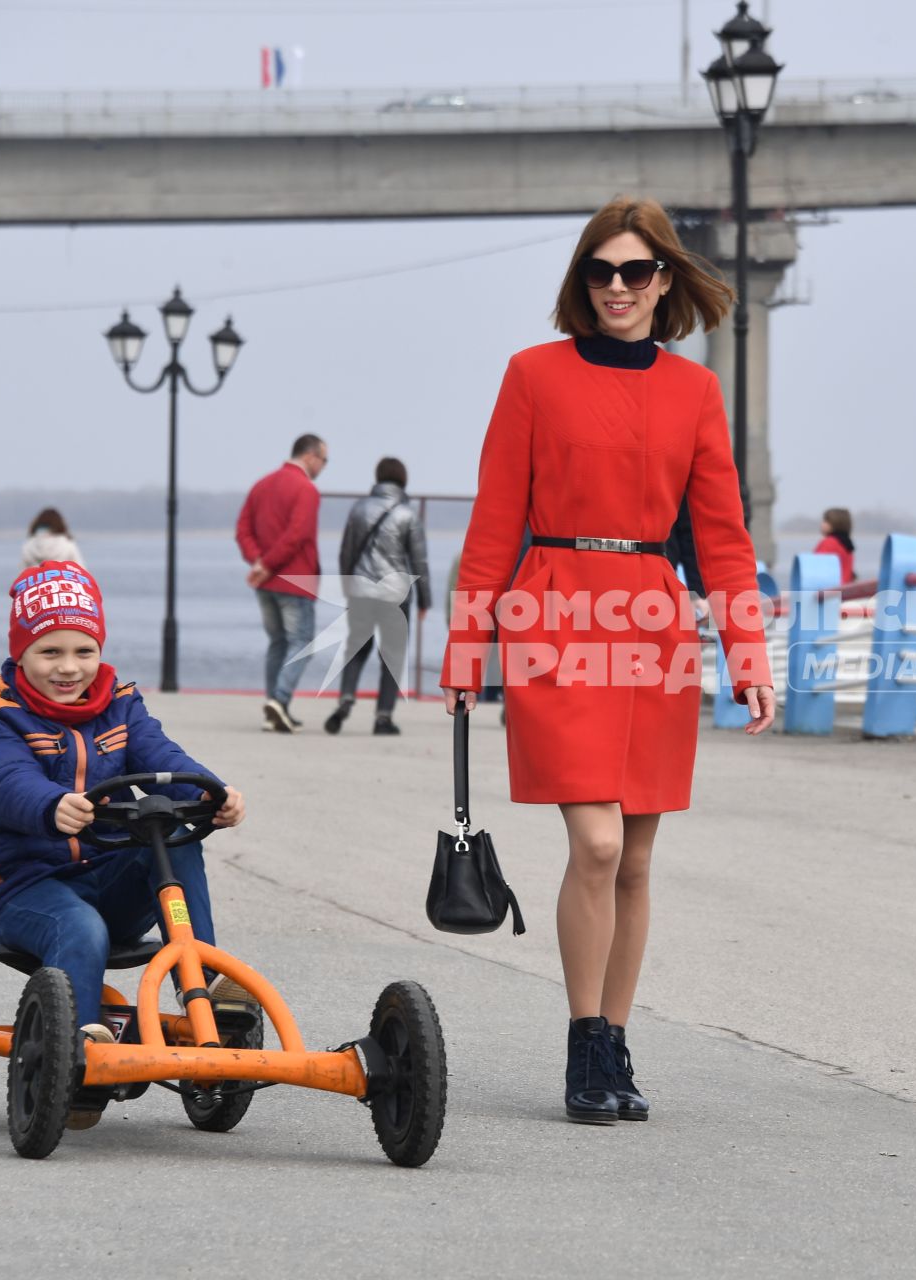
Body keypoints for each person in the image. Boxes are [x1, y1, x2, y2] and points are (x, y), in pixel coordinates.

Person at [440, 195, 777, 1126]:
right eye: (601, 271)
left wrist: (747, 648)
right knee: (593, 842)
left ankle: (616, 1048)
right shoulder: (532, 377)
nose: (617, 287)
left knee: (633, 859)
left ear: (664, 279)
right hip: (553, 613)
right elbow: (493, 522)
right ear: (580, 282)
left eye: (635, 271)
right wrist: (468, 648)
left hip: (654, 621)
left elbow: (722, 534)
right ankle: (584, 1043)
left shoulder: (694, 393)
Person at [0, 560, 249, 1127]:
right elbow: (5, 780)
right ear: (20, 652)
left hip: (106, 875)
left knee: (173, 832)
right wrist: (49, 806)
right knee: (81, 928)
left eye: (83, 651)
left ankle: (206, 991)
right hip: (26, 889)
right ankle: (79, 1051)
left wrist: (213, 791)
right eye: (50, 652)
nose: (69, 668)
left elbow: (162, 756)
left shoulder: (120, 701)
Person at [327, 456, 431, 737]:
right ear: (403, 480)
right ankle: (383, 717)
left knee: (356, 648)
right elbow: (419, 561)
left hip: (361, 591)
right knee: (393, 654)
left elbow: (346, 551)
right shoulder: (408, 514)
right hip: (395, 594)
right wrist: (425, 600)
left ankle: (346, 697)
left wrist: (348, 585)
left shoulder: (359, 509)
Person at [235, 435, 328, 733]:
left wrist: (258, 562)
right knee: (301, 643)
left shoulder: (262, 485)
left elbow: (243, 529)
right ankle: (280, 699)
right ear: (311, 456)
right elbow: (297, 535)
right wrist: (267, 564)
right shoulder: (306, 490)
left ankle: (275, 708)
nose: (323, 467)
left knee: (278, 643)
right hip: (295, 580)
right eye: (324, 460)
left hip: (266, 583)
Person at [814, 507, 856, 584]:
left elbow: (817, 569)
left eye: (825, 521)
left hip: (831, 591)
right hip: (845, 589)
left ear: (835, 524)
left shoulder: (829, 543)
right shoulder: (847, 544)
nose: (822, 524)